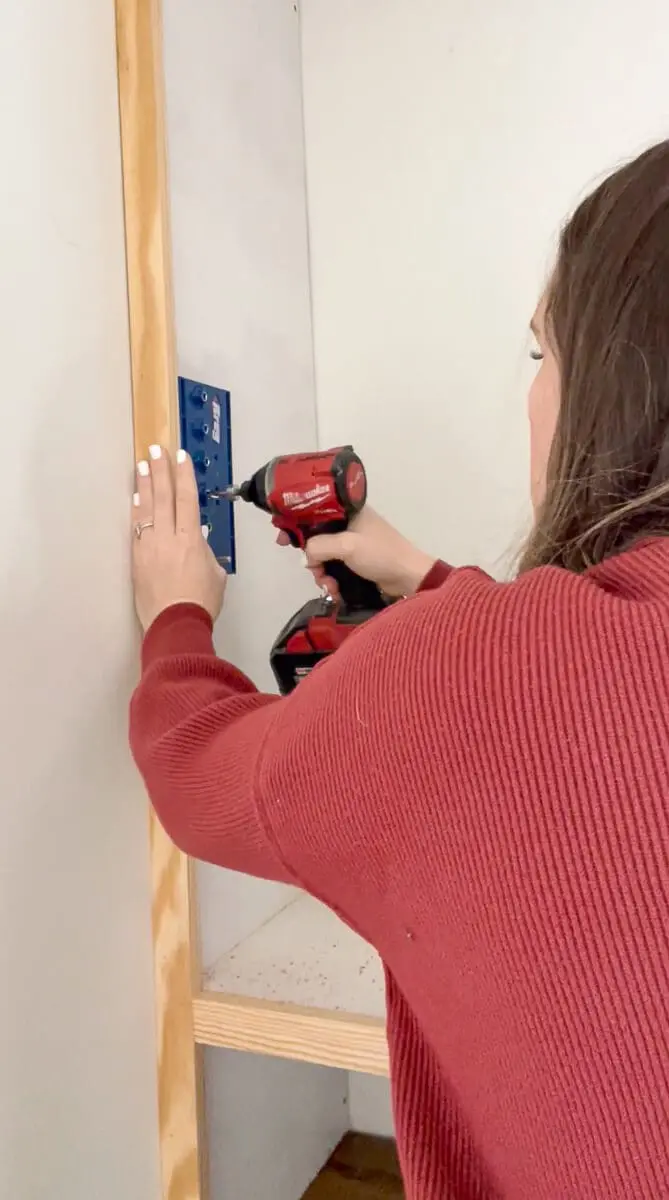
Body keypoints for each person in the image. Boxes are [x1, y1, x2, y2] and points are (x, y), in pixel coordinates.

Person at [129, 140, 669, 1200]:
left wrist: (176, 612)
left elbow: (197, 772)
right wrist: (428, 580)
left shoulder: (472, 674)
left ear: (615, 383)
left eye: (540, 354)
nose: (535, 392)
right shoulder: (489, 658)